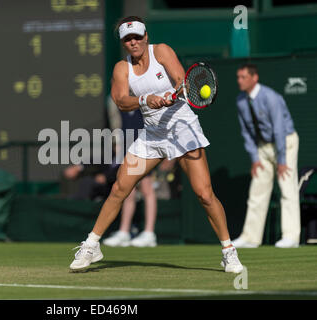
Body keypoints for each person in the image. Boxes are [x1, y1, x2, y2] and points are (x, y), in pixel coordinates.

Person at [69, 16, 244, 273]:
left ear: (146, 36)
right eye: (128, 39)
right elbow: (120, 100)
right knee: (120, 187)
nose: (133, 42)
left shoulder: (161, 51)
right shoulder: (122, 68)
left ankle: (229, 251)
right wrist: (146, 100)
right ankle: (92, 244)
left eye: (137, 36)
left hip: (183, 130)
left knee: (204, 194)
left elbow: (179, 80)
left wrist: (169, 95)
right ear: (123, 43)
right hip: (152, 136)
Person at [233, 64, 300, 248]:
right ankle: (250, 238)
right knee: (257, 190)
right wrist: (255, 158)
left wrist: (282, 160)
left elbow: (278, 130)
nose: (240, 80)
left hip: (285, 142)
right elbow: (246, 132)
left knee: (287, 188)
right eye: (238, 77)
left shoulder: (271, 98)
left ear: (254, 78)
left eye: (243, 77)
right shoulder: (240, 101)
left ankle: (291, 237)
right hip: (263, 146)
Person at [102, 108, 158, 248]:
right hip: (128, 148)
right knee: (128, 191)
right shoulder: (122, 102)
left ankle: (149, 233)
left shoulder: (143, 99)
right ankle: (124, 231)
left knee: (147, 189)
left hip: (145, 147)